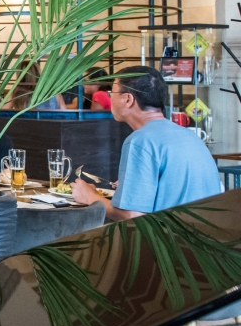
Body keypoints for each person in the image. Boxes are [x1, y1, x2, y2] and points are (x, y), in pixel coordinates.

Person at [72, 66, 221, 220]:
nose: (110, 98)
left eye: (112, 93)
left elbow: (132, 215)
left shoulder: (140, 141)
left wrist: (90, 197)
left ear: (128, 99)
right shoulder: (189, 135)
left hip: (170, 234)